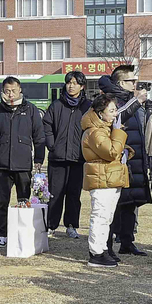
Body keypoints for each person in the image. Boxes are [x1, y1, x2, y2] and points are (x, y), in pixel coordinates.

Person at [0, 76, 45, 247]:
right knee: (2, 201)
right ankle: (2, 234)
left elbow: (39, 136)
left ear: (20, 91)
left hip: (23, 163)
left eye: (13, 90)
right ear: (3, 91)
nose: (10, 94)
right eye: (7, 91)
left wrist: (39, 158)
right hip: (3, 164)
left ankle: (22, 233)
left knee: (24, 200)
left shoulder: (31, 109)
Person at [98, 66, 152, 256]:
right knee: (113, 205)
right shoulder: (111, 100)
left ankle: (127, 242)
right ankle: (107, 245)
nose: (134, 84)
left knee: (130, 204)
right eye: (130, 81)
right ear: (121, 83)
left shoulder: (130, 100)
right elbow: (116, 116)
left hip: (133, 159)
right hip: (117, 160)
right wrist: (137, 101)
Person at [81, 93, 128, 268]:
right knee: (100, 216)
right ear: (100, 112)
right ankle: (96, 253)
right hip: (101, 178)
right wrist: (119, 133)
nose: (115, 114)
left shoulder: (105, 129)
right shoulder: (95, 131)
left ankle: (102, 249)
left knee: (106, 217)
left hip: (109, 177)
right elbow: (110, 152)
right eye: (112, 111)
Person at [43, 70, 91, 238]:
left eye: (75, 83)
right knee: (55, 193)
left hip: (78, 158)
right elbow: (47, 125)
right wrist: (52, 145)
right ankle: (51, 225)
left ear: (82, 86)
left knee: (73, 194)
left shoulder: (88, 106)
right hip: (58, 158)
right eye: (69, 82)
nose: (71, 86)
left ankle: (71, 225)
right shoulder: (57, 105)